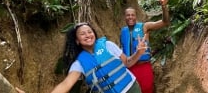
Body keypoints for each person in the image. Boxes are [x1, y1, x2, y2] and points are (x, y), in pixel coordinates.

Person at [16, 22, 147, 93]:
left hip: (131, 88)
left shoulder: (108, 45)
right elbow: (66, 84)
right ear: (77, 41)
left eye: (89, 32)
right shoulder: (79, 64)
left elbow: (128, 63)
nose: (87, 35)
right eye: (82, 34)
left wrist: (138, 53)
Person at [120, 0, 170, 93]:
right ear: (124, 17)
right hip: (129, 70)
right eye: (128, 15)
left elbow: (165, 22)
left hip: (144, 67)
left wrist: (164, 6)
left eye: (132, 15)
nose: (130, 17)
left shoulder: (144, 26)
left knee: (147, 90)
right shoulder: (123, 32)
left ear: (136, 16)